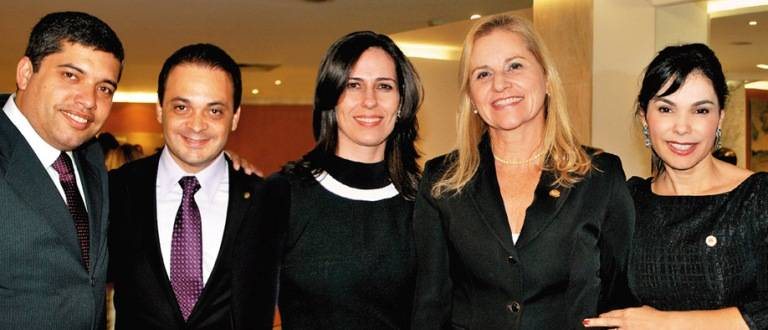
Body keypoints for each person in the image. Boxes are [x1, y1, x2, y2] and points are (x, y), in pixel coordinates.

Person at [411, 14, 635, 329]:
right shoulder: (441, 181)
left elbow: (620, 297)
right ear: (472, 97)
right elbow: (430, 305)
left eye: (514, 65)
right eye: (483, 74)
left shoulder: (600, 176)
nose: (500, 84)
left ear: (545, 78)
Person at [584, 44, 767, 329]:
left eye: (701, 110)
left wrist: (667, 323)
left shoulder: (757, 198)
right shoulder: (629, 201)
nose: (682, 127)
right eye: (666, 108)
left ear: (720, 117)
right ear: (645, 117)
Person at [108, 44, 278, 329]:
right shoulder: (115, 191)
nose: (196, 125)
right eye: (181, 107)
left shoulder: (267, 201)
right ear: (160, 110)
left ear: (235, 117)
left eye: (214, 110)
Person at [265, 31, 422, 329]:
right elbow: (246, 310)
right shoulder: (283, 193)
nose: (370, 101)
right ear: (332, 97)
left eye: (384, 86)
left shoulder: (425, 200)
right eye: (353, 85)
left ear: (402, 101)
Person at [0, 11, 123, 329]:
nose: (89, 101)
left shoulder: (91, 157)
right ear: (26, 73)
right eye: (71, 75)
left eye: (105, 88)